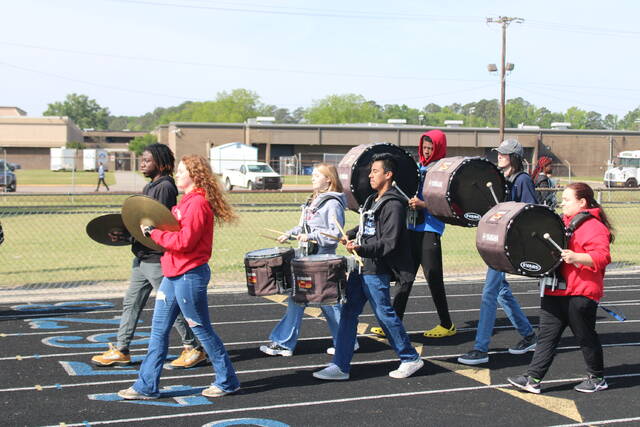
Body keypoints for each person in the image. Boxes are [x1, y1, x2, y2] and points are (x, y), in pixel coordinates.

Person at [118, 154, 240, 399]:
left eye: (183, 171)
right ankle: (146, 386)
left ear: (195, 175)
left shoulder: (197, 204)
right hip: (173, 274)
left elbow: (184, 242)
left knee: (202, 330)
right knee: (158, 331)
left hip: (189, 276)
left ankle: (227, 381)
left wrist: (155, 234)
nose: (178, 174)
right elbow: (174, 235)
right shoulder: (186, 202)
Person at [92, 144, 205, 369]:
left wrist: (135, 236)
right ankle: (122, 349)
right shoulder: (150, 186)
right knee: (130, 304)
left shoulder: (164, 187)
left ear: (161, 164)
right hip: (142, 257)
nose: (142, 164)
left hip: (157, 259)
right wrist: (124, 235)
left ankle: (194, 348)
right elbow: (141, 226)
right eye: (141, 160)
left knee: (172, 305)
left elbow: (159, 227)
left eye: (147, 160)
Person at [313, 153, 424, 381]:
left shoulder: (393, 204)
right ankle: (341, 366)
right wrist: (351, 236)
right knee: (348, 313)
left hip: (377, 269)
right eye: (370, 171)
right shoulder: (372, 200)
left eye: (375, 171)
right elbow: (366, 225)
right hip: (361, 268)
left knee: (384, 315)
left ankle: (410, 357)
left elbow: (390, 242)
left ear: (388, 174)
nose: (370, 175)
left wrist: (361, 248)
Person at [508, 182, 613, 394]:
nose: (562, 203)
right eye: (562, 199)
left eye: (567, 200)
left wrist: (576, 257)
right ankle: (533, 378)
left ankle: (597, 377)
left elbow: (603, 257)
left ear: (582, 202)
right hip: (555, 289)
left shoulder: (594, 226)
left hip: (581, 290)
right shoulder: (559, 223)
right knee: (546, 335)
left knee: (585, 336)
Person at [260, 163, 358, 357]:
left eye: (316, 175)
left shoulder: (333, 203)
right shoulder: (312, 200)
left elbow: (335, 233)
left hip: (323, 260)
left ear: (328, 179)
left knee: (328, 303)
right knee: (298, 298)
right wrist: (288, 234)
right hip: (307, 259)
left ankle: (347, 341)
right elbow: (303, 227)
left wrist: (312, 237)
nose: (312, 178)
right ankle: (285, 343)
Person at [458, 139, 538, 365]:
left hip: (509, 246)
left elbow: (531, 210)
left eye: (504, 154)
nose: (499, 156)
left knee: (489, 293)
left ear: (513, 157)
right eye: (499, 153)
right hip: (499, 244)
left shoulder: (522, 180)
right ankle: (529, 335)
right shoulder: (503, 180)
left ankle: (480, 348)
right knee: (501, 291)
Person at [370, 130, 455, 339]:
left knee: (433, 277)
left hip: (430, 229)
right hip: (411, 228)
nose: (426, 151)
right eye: (424, 147)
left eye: (431, 148)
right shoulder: (416, 168)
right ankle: (393, 321)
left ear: (439, 148)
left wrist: (424, 205)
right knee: (404, 276)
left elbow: (448, 203)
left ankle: (447, 324)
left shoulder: (443, 171)